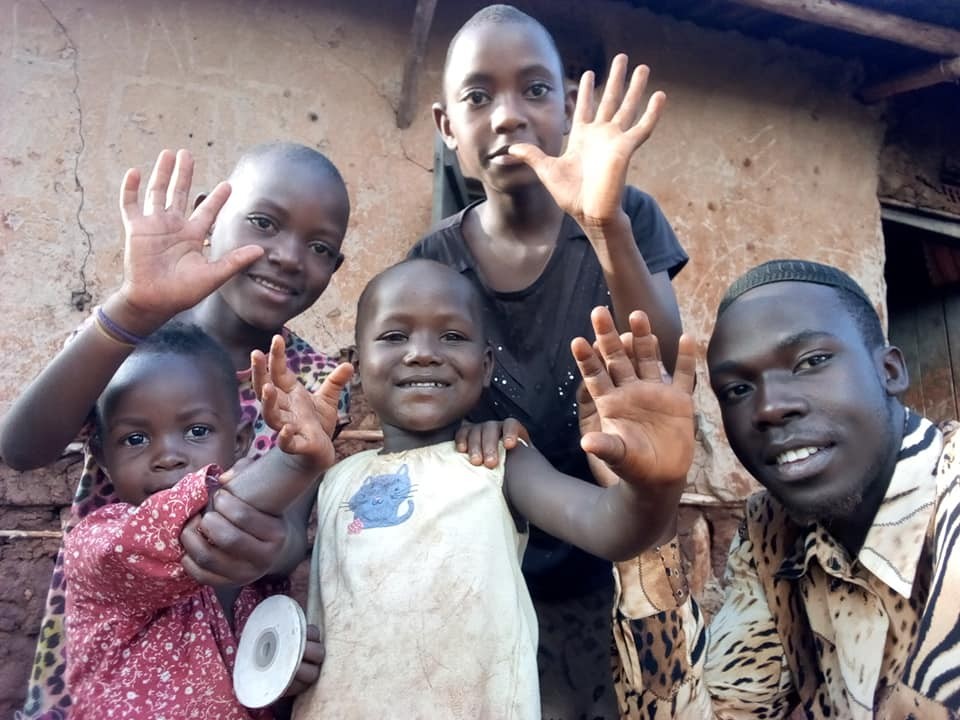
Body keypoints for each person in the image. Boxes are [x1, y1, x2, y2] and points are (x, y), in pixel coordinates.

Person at [2, 144, 352, 718]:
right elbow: (22, 449)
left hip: (226, 670)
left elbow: (291, 532)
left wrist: (266, 550)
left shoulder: (309, 381)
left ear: (335, 267)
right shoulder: (130, 340)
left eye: (319, 247)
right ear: (210, 218)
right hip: (107, 672)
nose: (289, 257)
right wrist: (132, 310)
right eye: (265, 223)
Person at [408, 5, 688, 714]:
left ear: (566, 107)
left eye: (534, 90)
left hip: (620, 538)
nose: (508, 115)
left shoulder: (628, 215)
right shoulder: (433, 261)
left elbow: (657, 349)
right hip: (492, 549)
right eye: (478, 96)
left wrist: (603, 226)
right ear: (447, 126)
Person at [291, 258, 697, 719]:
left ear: (485, 367)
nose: (422, 353)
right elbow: (277, 553)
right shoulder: (335, 476)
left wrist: (653, 482)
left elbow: (609, 528)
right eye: (394, 336)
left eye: (452, 336)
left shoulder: (501, 461)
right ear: (358, 364)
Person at [611, 259, 960, 718]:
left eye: (812, 361)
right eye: (736, 389)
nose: (770, 407)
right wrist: (650, 511)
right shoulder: (771, 536)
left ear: (890, 370)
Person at [63, 321, 351, 720]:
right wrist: (295, 459)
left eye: (196, 431)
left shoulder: (257, 577)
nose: (168, 456)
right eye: (135, 439)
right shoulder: (96, 545)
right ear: (104, 459)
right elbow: (200, 524)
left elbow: (246, 687)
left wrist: (282, 675)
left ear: (239, 441)